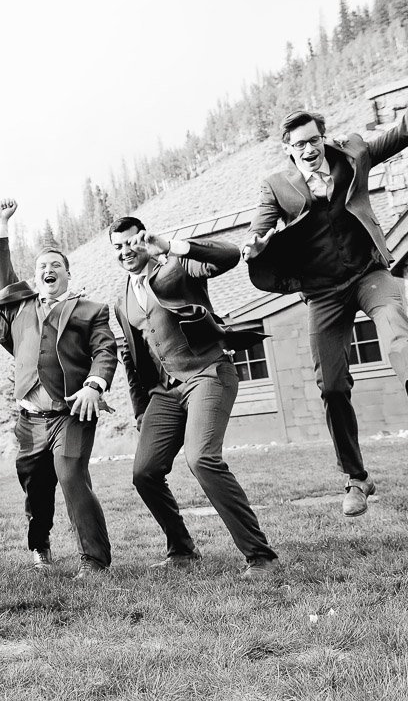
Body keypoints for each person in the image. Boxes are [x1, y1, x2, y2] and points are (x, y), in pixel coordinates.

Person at [242, 25, 408, 517]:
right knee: (333, 386)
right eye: (299, 143)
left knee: (395, 326)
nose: (308, 148)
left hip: (367, 273)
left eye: (314, 139)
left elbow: (406, 132)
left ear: (323, 138)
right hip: (321, 293)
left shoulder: (353, 156)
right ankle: (355, 479)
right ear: (288, 150)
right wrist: (255, 244)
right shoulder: (276, 186)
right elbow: (260, 229)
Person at [109, 217, 278, 579]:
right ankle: (182, 550)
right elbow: (131, 358)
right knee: (145, 472)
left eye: (131, 242)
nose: (126, 251)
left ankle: (261, 557)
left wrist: (170, 245)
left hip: (208, 373)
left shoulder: (177, 266)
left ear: (144, 238)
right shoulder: (121, 299)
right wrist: (142, 411)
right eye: (118, 247)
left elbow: (229, 256)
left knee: (201, 458)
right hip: (165, 392)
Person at [0, 199, 117, 578]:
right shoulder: (21, 308)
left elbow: (105, 350)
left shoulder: (90, 309)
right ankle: (41, 546)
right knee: (36, 486)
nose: (48, 270)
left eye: (55, 266)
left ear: (67, 273)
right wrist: (1, 223)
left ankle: (94, 560)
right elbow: (1, 275)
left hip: (72, 413)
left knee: (70, 476)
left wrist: (94, 386)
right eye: (42, 267)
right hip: (29, 418)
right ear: (35, 277)